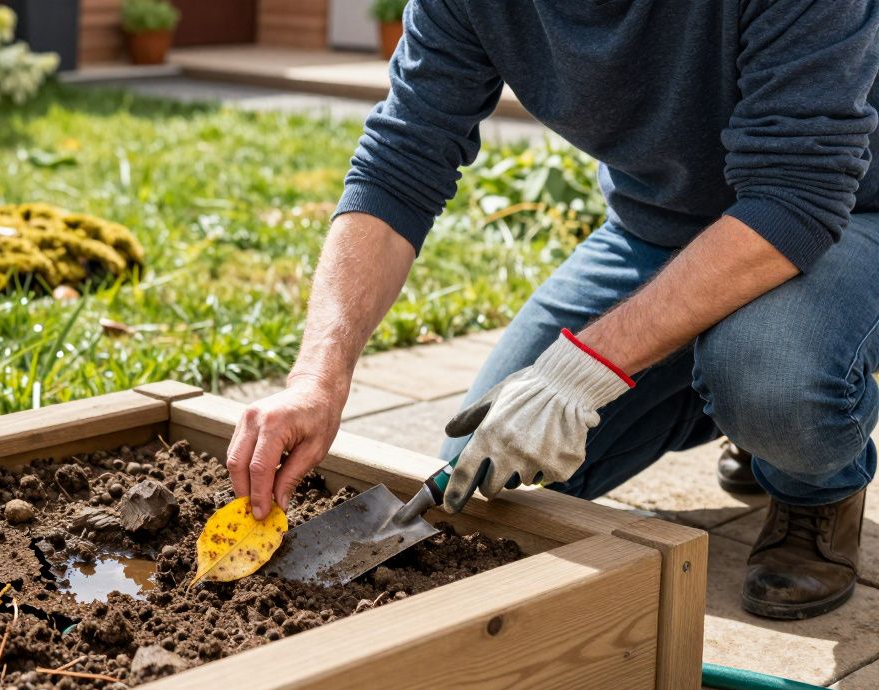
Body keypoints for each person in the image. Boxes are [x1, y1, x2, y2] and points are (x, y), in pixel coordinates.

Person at [226, 0, 879, 621]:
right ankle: (726, 395)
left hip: (844, 214)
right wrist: (318, 376)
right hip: (656, 226)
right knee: (484, 466)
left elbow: (795, 195)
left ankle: (815, 486)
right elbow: (402, 159)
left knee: (772, 378)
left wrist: (581, 371)